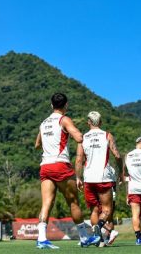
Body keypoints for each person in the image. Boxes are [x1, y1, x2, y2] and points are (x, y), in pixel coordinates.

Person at [34, 93, 100, 249]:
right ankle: (84, 237)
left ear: (51, 105)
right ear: (66, 105)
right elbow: (78, 137)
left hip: (45, 166)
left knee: (46, 203)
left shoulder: (43, 123)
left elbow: (37, 145)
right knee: (73, 202)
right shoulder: (64, 119)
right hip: (61, 165)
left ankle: (41, 238)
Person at [75, 111, 123, 246]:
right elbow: (118, 156)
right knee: (107, 210)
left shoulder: (82, 138)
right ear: (100, 122)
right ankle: (100, 226)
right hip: (103, 178)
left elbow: (79, 160)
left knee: (94, 210)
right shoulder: (107, 135)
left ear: (88, 122)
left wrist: (78, 177)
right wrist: (121, 172)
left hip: (88, 178)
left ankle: (99, 240)